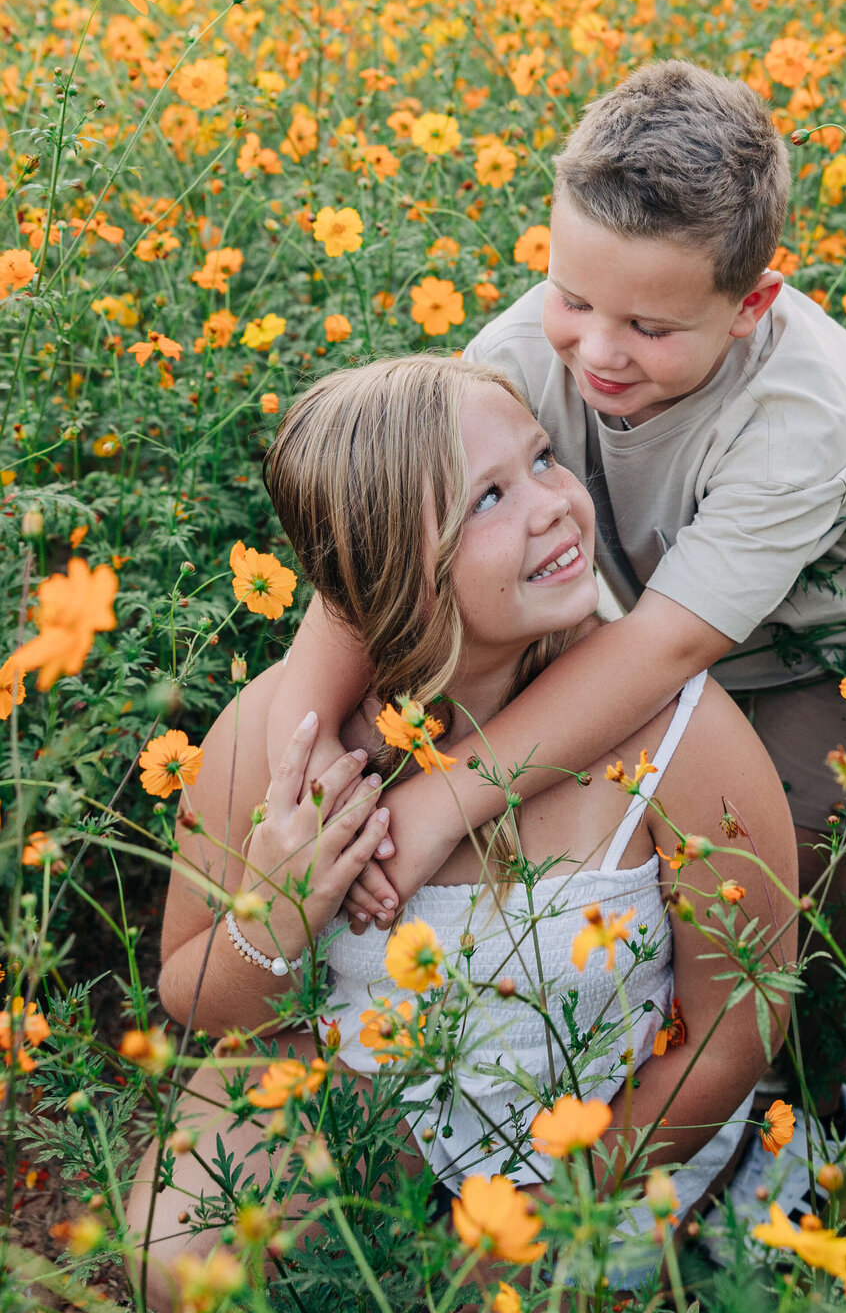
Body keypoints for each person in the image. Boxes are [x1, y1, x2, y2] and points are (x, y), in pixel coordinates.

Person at [267, 57, 846, 1114]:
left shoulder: (807, 412)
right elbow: (387, 542)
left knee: (782, 881)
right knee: (565, 787)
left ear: (751, 303)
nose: (598, 350)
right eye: (572, 297)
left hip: (831, 651)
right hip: (628, 585)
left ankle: (782, 1085)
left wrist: (445, 795)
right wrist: (301, 777)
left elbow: (669, 648)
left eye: (652, 328)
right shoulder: (516, 349)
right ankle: (585, 1042)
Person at [127, 356, 797, 1303]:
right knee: (179, 1264)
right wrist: (275, 916)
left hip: (607, 1131)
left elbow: (740, 1025)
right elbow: (197, 1002)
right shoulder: (273, 734)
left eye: (543, 459)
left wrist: (557, 1206)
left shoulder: (681, 731)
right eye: (487, 498)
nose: (555, 504)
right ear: (390, 567)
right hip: (357, 1108)